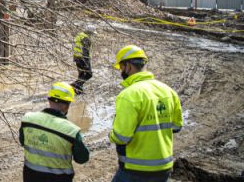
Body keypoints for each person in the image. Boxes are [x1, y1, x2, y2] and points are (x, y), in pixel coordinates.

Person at [109, 45, 183, 182]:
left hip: (135, 169)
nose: (121, 71)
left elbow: (121, 137)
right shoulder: (168, 91)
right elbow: (176, 127)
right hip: (164, 167)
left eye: (121, 67)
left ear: (128, 66)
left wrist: (111, 134)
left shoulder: (129, 95)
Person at [19, 82, 90, 181]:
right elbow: (82, 159)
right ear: (67, 104)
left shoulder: (28, 119)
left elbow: (22, 141)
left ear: (49, 99)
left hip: (30, 175)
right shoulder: (71, 131)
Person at [71, 26, 95, 94]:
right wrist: (86, 62)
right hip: (83, 58)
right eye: (92, 33)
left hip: (76, 57)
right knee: (89, 74)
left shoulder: (80, 35)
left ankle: (79, 90)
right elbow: (85, 51)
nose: (92, 35)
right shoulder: (86, 38)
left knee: (81, 74)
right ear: (90, 32)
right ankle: (75, 85)